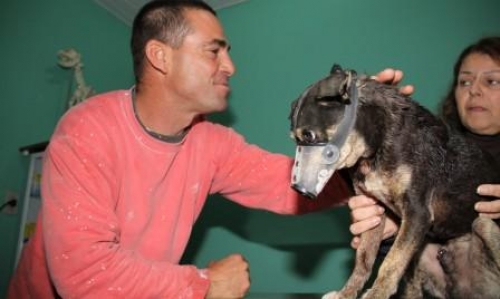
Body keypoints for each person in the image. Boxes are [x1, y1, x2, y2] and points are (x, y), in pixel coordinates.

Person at [7, 1, 412, 298]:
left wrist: (358, 142)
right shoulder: (85, 130)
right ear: (159, 56)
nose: (230, 66)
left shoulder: (212, 143)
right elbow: (83, 276)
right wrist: (205, 284)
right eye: (214, 50)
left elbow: (287, 185)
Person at [348, 36, 500, 251]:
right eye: (464, 81)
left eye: (492, 81)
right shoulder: (434, 151)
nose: (474, 90)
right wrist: (392, 225)